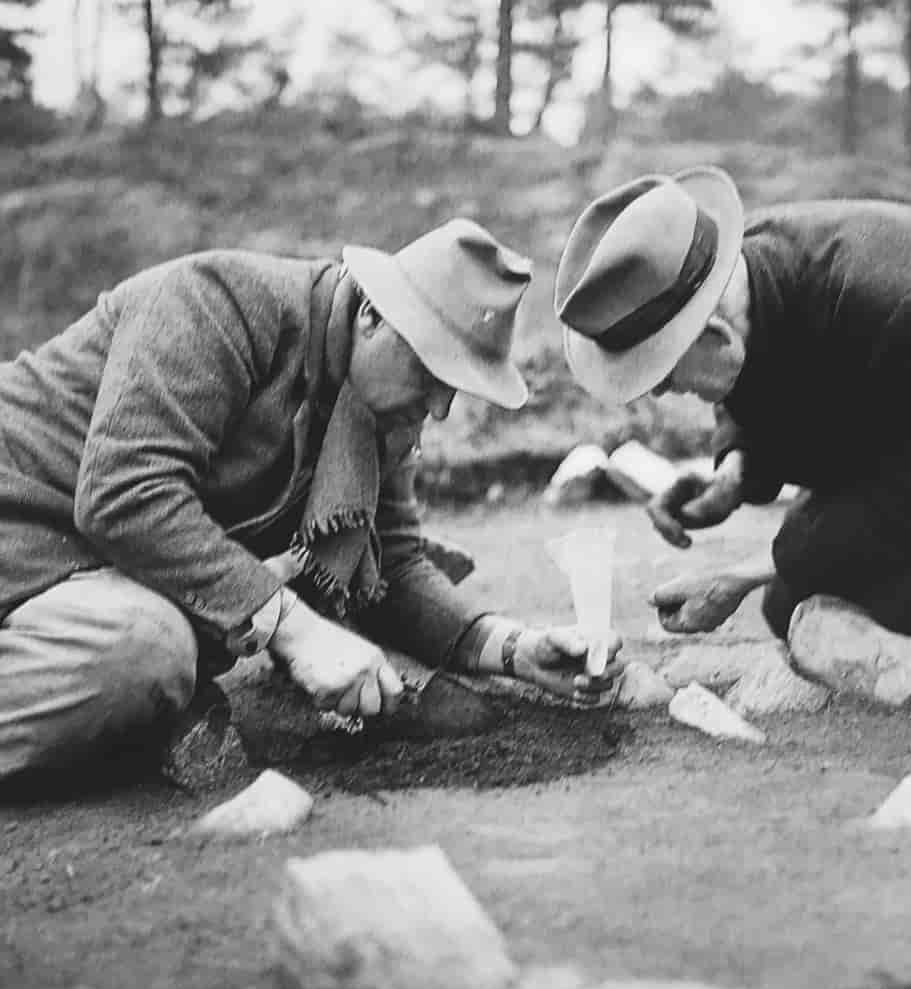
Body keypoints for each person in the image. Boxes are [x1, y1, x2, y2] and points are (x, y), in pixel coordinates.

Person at [0, 218, 621, 789]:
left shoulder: (373, 407)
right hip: (20, 533)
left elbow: (395, 570)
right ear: (374, 316)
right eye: (430, 372)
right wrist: (297, 632)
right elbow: (123, 494)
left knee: (170, 647)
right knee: (143, 650)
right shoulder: (216, 302)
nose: (437, 409)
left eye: (452, 388)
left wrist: (514, 650)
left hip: (86, 575)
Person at [554, 166, 911, 659]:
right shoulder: (742, 282)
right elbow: (767, 374)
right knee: (791, 605)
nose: (658, 394)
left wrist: (742, 570)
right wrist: (735, 473)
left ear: (714, 336)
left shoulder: (895, 301)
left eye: (662, 373)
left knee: (904, 601)